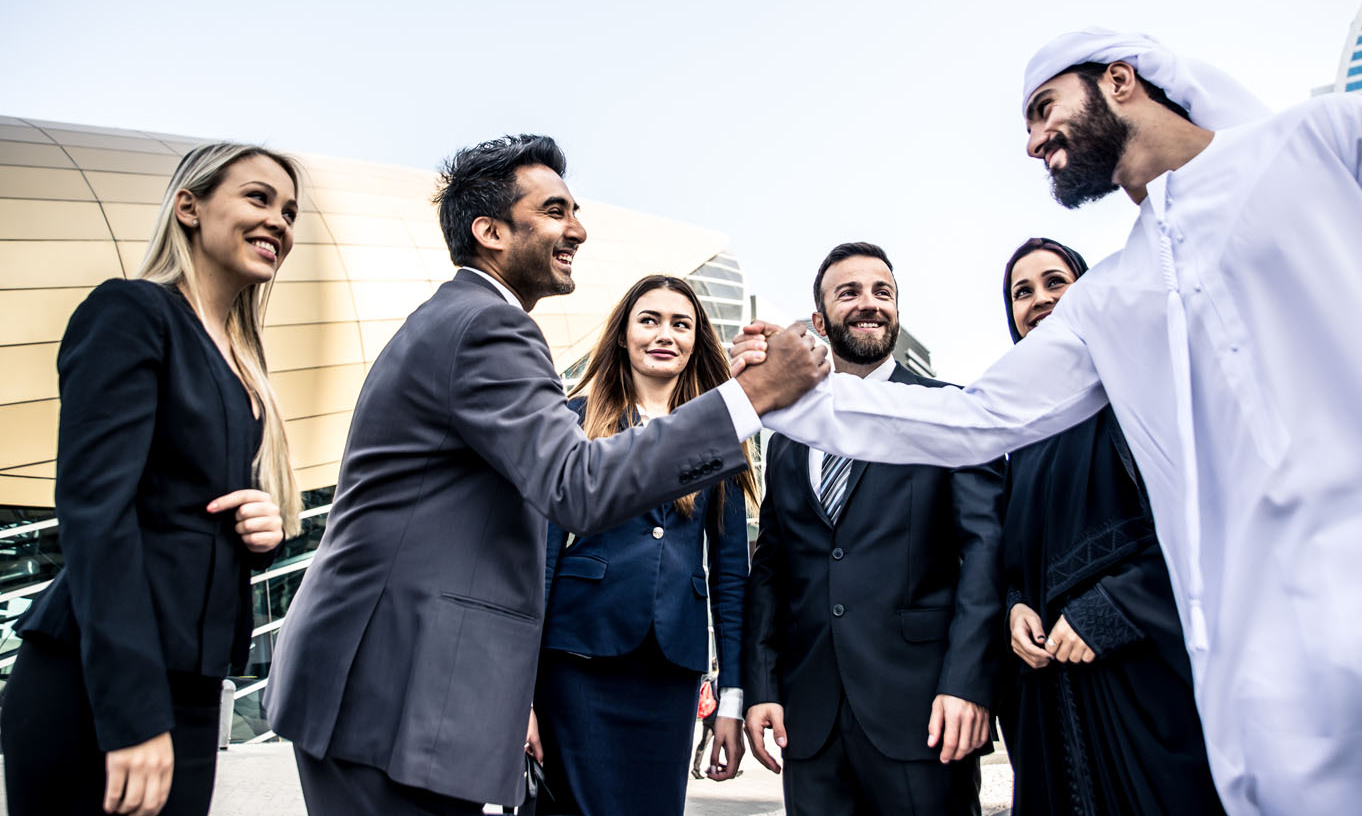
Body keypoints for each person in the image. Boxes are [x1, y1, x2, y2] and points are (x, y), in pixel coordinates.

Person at [736, 29, 1362, 815]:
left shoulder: (1329, 141)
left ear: (1119, 78)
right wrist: (793, 398)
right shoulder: (1113, 297)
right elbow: (978, 418)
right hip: (1275, 686)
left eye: (1043, 109)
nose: (1034, 141)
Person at [264, 135, 827, 816]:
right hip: (393, 684)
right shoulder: (487, 328)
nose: (579, 229)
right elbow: (578, 484)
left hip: (398, 684)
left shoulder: (463, 321)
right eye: (556, 210)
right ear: (491, 231)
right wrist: (753, 396)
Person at [0, 143, 303, 816]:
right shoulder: (132, 313)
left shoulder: (242, 362)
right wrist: (133, 714)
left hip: (189, 688)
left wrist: (264, 531)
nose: (279, 222)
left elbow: (184, 510)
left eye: (289, 211)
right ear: (188, 206)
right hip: (98, 685)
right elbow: (96, 517)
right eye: (258, 198)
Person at [742, 243, 1004, 816]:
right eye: (849, 293)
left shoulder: (950, 410)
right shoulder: (788, 436)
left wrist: (969, 682)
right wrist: (762, 687)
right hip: (810, 727)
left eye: (882, 292)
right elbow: (772, 569)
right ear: (819, 321)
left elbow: (985, 554)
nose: (869, 305)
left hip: (927, 714)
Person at [996, 237, 1222, 815]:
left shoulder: (1139, 392)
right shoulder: (1019, 431)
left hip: (1143, 684)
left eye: (1055, 282)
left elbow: (1200, 525)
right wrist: (1016, 605)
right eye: (1022, 293)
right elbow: (1014, 553)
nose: (1039, 299)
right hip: (1052, 699)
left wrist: (1109, 609)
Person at [534, 274, 757, 816]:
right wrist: (519, 693)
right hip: (576, 661)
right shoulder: (573, 419)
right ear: (623, 335)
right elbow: (538, 557)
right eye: (649, 320)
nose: (665, 334)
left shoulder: (717, 435)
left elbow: (731, 577)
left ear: (696, 340)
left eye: (681, 324)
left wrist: (730, 697)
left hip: (670, 670)